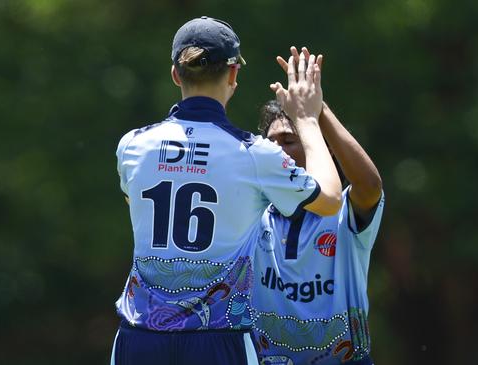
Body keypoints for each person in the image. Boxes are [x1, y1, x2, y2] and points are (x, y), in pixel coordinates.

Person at [110, 17, 342, 365]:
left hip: (139, 338)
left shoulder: (132, 145)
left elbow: (137, 204)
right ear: (233, 73)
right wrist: (308, 120)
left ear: (176, 74)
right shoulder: (255, 154)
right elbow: (330, 200)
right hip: (218, 340)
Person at [251, 47, 384, 365]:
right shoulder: (252, 215)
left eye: (288, 141)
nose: (277, 151)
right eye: (270, 142)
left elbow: (370, 187)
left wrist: (315, 111)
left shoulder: (342, 215)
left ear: (316, 148)